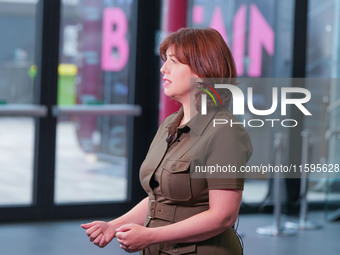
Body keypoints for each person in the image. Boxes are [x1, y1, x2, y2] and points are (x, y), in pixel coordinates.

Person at [81, 27, 252, 255]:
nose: (163, 68)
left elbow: (223, 216)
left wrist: (150, 236)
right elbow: (158, 199)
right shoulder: (170, 124)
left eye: (173, 61)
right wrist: (113, 226)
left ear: (201, 70)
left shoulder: (224, 131)